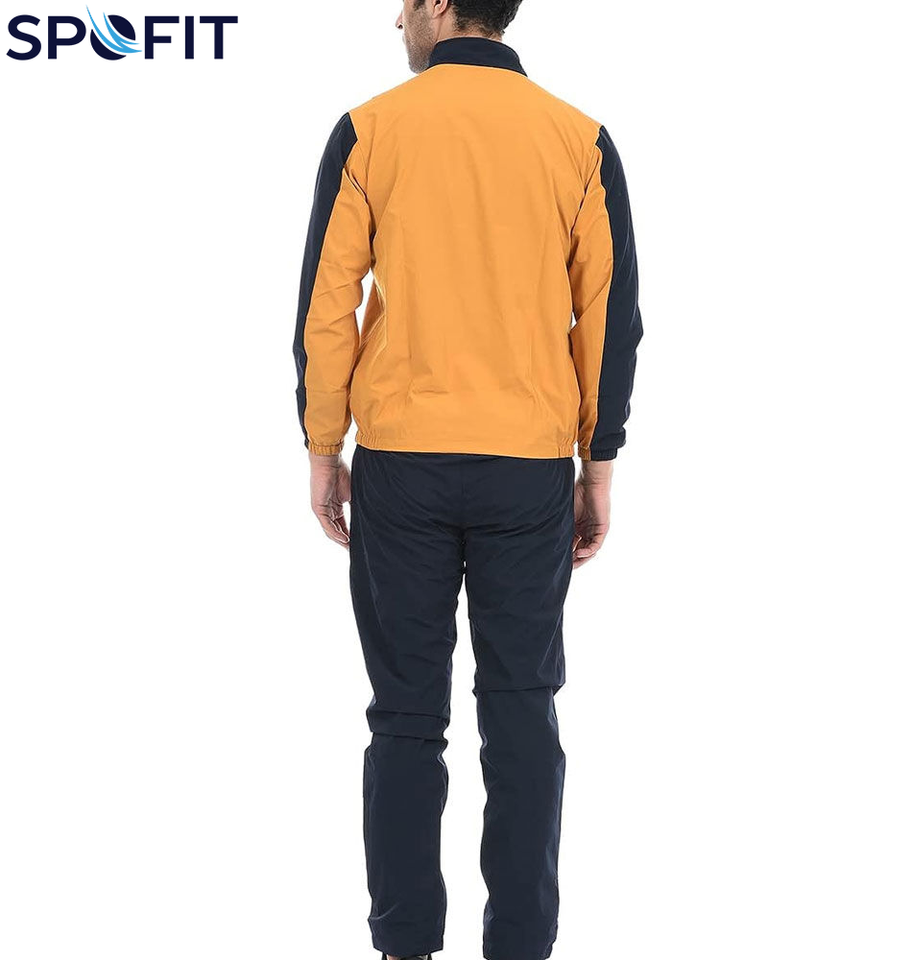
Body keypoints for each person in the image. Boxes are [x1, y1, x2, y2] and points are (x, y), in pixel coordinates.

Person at [292, 2, 642, 958]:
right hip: (528, 466)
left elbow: (327, 302)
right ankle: (521, 946)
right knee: (522, 709)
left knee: (406, 717)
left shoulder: (371, 130)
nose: (395, 18)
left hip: (401, 463)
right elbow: (610, 315)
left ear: (440, 5)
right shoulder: (578, 139)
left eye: (406, 1)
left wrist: (323, 446)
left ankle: (405, 946)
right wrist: (599, 461)